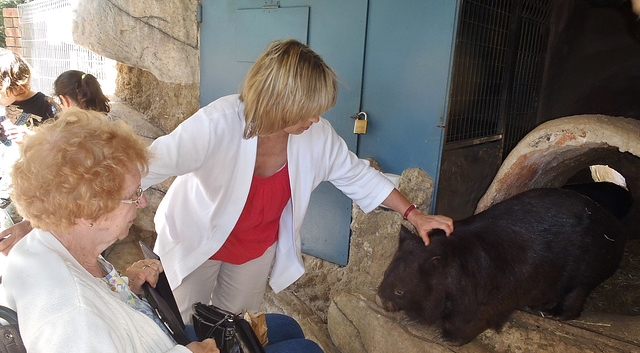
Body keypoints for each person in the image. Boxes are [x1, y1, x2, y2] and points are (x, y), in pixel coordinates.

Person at [1, 108, 400, 353]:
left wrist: (126, 289)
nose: (141, 203)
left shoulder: (46, 245)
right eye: (132, 196)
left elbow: (99, 327)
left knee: (282, 328)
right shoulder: (67, 309)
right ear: (88, 212)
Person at [143, 38, 454, 322]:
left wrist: (414, 215)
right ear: (278, 101)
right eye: (307, 111)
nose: (315, 119)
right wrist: (117, 203)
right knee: (176, 326)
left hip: (253, 250)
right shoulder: (216, 123)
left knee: (233, 329)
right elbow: (151, 163)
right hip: (197, 237)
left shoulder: (316, 136)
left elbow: (358, 175)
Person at [0, 69, 110, 255]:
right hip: (102, 215)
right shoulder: (107, 126)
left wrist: (29, 224)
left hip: (76, 216)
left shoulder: (71, 131)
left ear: (64, 100)